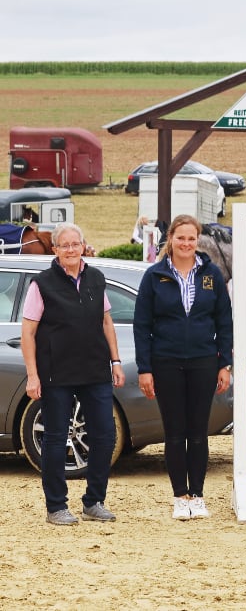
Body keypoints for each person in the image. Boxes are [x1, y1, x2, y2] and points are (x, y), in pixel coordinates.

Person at [20, 223, 126, 525]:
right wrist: (32, 375)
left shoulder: (96, 278)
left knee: (105, 435)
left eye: (75, 244)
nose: (70, 250)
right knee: (55, 439)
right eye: (64, 245)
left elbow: (106, 322)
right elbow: (28, 333)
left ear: (83, 246)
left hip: (95, 370)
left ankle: (94, 502)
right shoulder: (41, 284)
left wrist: (116, 361)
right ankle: (56, 506)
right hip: (56, 373)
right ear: (55, 249)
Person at [133, 215, 233, 520]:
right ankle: (180, 496)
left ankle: (198, 496)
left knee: (198, 432)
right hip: (166, 363)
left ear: (197, 240)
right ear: (171, 240)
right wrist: (145, 368)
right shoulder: (154, 276)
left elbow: (224, 321)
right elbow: (142, 325)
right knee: (175, 432)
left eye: (191, 238)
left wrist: (224, 364)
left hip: (204, 362)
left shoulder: (211, 274)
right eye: (181, 238)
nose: (186, 244)